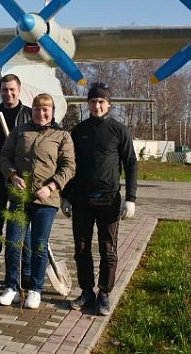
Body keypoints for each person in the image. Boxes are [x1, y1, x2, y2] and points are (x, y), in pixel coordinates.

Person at [0, 93, 76, 309]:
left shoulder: (62, 136)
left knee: (39, 245)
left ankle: (35, 289)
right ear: (32, 110)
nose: (41, 113)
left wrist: (51, 187)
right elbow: (4, 157)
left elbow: (68, 167)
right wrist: (12, 176)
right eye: (38, 109)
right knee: (13, 243)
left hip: (45, 201)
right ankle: (11, 286)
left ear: (52, 112)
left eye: (46, 109)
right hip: (20, 197)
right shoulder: (20, 131)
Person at [64, 82, 138, 316]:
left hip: (109, 200)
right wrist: (66, 197)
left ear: (109, 104)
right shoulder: (79, 131)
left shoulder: (119, 130)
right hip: (81, 200)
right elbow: (69, 165)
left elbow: (131, 164)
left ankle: (104, 293)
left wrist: (131, 199)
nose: (97, 105)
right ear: (88, 104)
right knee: (82, 248)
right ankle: (87, 292)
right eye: (93, 101)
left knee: (108, 249)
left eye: (101, 102)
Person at [0, 73, 34, 284]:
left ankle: (25, 271)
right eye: (5, 90)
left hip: (21, 180)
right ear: (0, 91)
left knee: (22, 226)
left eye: (12, 89)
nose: (8, 93)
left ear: (19, 90)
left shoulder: (30, 116)